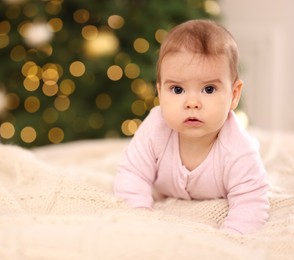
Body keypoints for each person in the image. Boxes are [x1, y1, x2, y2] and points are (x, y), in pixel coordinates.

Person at [113, 19, 269, 235]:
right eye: (177, 90)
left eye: (209, 89)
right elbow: (133, 174)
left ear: (233, 95)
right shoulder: (155, 128)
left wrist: (231, 237)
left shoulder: (239, 149)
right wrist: (139, 214)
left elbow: (251, 203)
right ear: (160, 93)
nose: (192, 102)